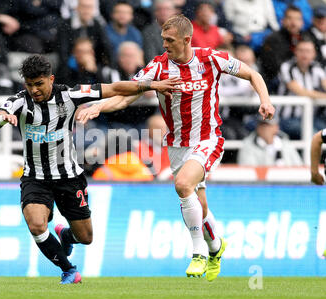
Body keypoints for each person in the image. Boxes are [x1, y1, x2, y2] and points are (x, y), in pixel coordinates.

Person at [77, 14, 275, 280]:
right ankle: (216, 247)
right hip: (177, 145)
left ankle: (198, 254)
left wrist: (265, 100)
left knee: (183, 186)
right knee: (199, 207)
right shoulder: (158, 67)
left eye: (169, 40)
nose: (165, 44)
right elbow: (127, 96)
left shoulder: (210, 58)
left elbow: (252, 73)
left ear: (186, 39)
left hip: (208, 139)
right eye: (163, 39)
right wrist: (100, 106)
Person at [0, 54, 177, 284]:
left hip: (69, 177)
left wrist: (151, 84)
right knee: (37, 224)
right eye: (30, 85)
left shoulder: (70, 94)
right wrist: (2, 118)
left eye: (39, 84)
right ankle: (69, 270)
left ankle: (65, 235)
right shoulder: (19, 101)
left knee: (85, 237)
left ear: (51, 79)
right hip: (35, 178)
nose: (34, 90)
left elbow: (114, 87)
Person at [277, 38, 326, 139]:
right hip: (287, 118)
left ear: (314, 54)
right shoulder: (287, 67)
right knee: (315, 135)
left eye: (308, 51)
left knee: (322, 133)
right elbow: (300, 91)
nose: (304, 54)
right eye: (301, 50)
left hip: (311, 118)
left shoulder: (317, 68)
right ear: (295, 52)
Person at [259, 5, 304, 93]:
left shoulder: (305, 39)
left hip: (302, 82)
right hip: (275, 87)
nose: (293, 23)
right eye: (290, 18)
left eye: (297, 19)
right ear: (282, 21)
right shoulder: (272, 39)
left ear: (302, 22)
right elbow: (273, 68)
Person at [237, 117, 303, 166]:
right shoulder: (248, 145)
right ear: (257, 127)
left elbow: (299, 167)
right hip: (260, 184)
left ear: (276, 127)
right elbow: (248, 172)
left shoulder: (286, 144)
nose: (264, 128)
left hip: (287, 182)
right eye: (261, 124)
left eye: (268, 125)